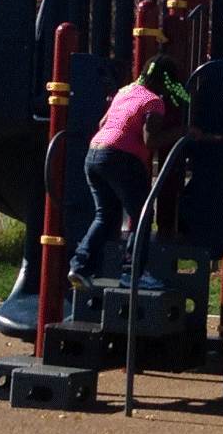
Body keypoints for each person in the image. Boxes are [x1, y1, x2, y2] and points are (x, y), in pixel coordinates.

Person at [67, 54, 200, 291]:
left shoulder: (125, 92)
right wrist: (183, 131)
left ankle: (79, 266)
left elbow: (102, 124)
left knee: (104, 216)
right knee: (142, 216)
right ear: (164, 82)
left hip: (94, 154)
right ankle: (133, 273)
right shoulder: (154, 102)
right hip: (121, 158)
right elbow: (151, 142)